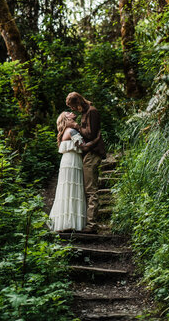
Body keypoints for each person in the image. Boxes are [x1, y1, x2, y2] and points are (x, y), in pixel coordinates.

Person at [48, 111, 100, 232]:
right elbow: (85, 147)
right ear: (66, 118)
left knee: (67, 190)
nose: (71, 112)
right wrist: (97, 139)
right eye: (68, 113)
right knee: (73, 189)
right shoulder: (71, 131)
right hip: (72, 162)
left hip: (67, 161)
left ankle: (66, 222)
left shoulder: (66, 132)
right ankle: (70, 223)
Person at [65, 92, 106, 233]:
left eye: (74, 107)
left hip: (93, 153)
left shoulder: (92, 112)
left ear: (79, 102)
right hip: (87, 153)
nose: (74, 110)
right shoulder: (85, 112)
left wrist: (76, 126)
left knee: (91, 190)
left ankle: (92, 225)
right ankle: (88, 222)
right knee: (87, 189)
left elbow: (90, 134)